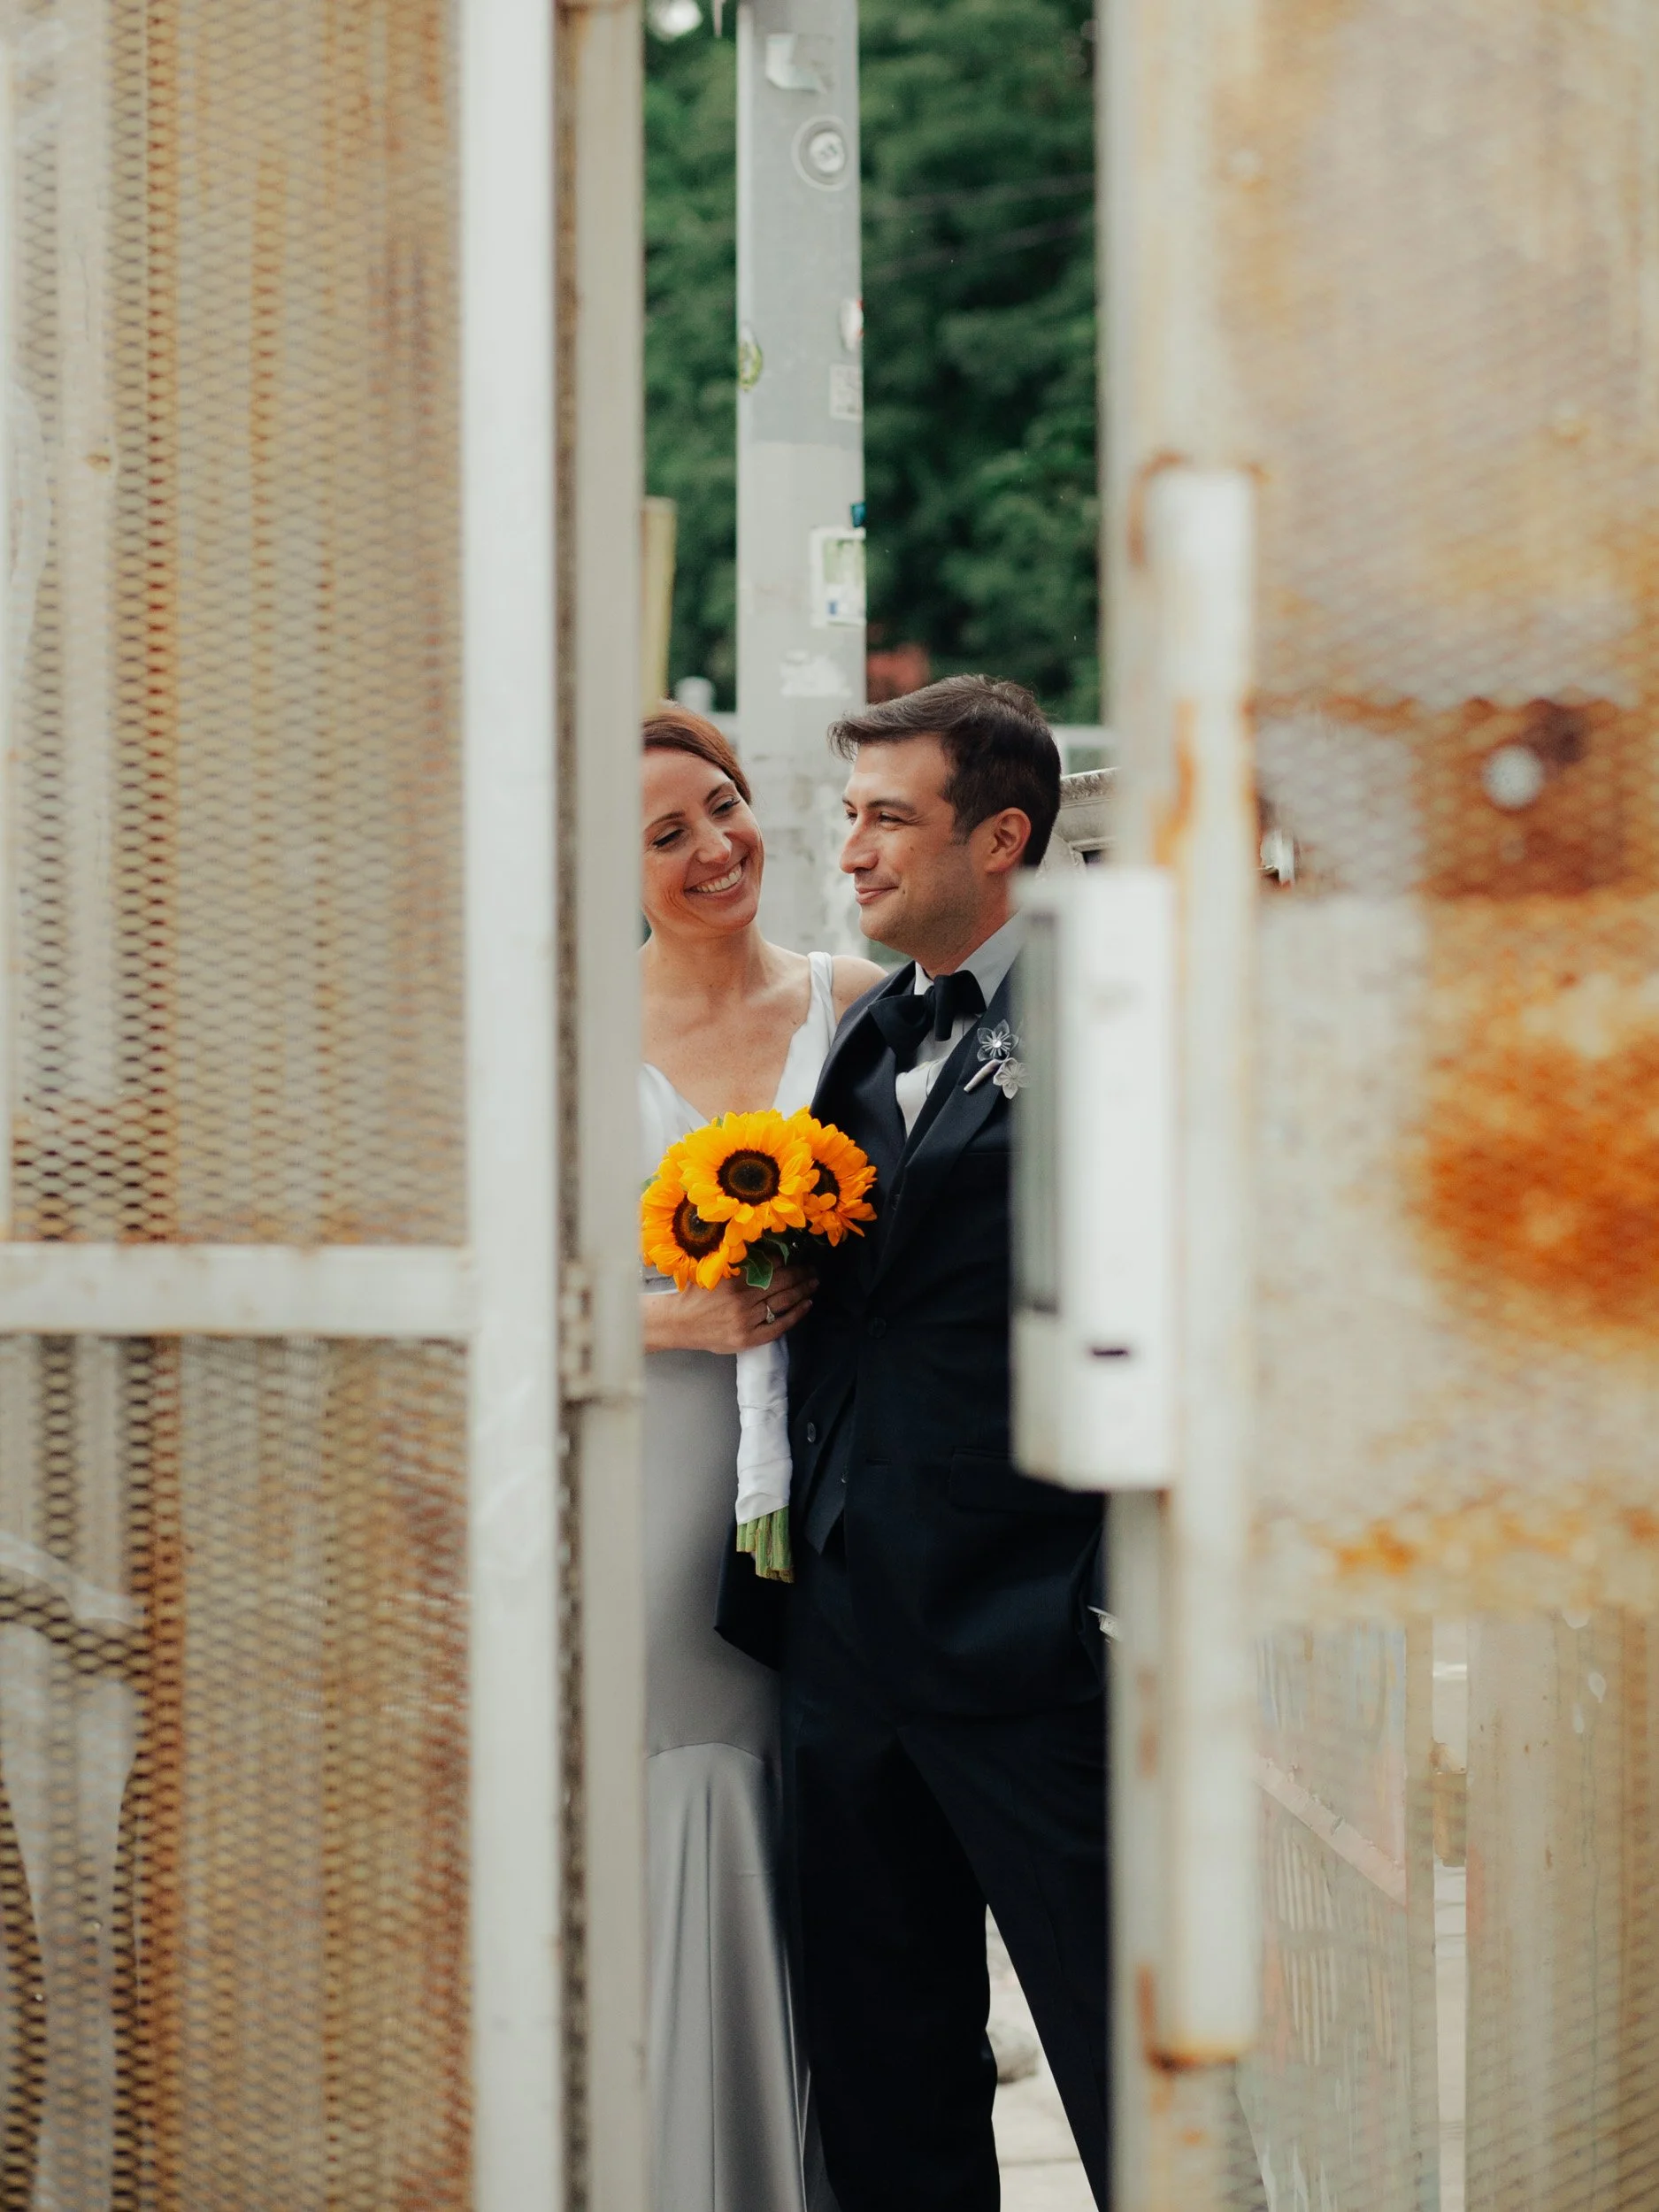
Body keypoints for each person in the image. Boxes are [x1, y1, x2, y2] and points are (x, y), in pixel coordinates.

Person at [779, 676, 1110, 2210]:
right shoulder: (868, 1036)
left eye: (886, 819)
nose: (850, 851)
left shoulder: (1106, 1020)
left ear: (1001, 836)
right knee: (886, 2071)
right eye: (848, 817)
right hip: (848, 1651)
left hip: (1033, 1644)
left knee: (1129, 2064)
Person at [638, 703, 882, 2212]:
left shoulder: (858, 1005)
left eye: (721, 807)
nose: (717, 847)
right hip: (655, 1497)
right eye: (667, 836)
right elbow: (490, 1295)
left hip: (848, 1492)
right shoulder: (564, 1036)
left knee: (845, 1832)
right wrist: (681, 1320)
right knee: (701, 1801)